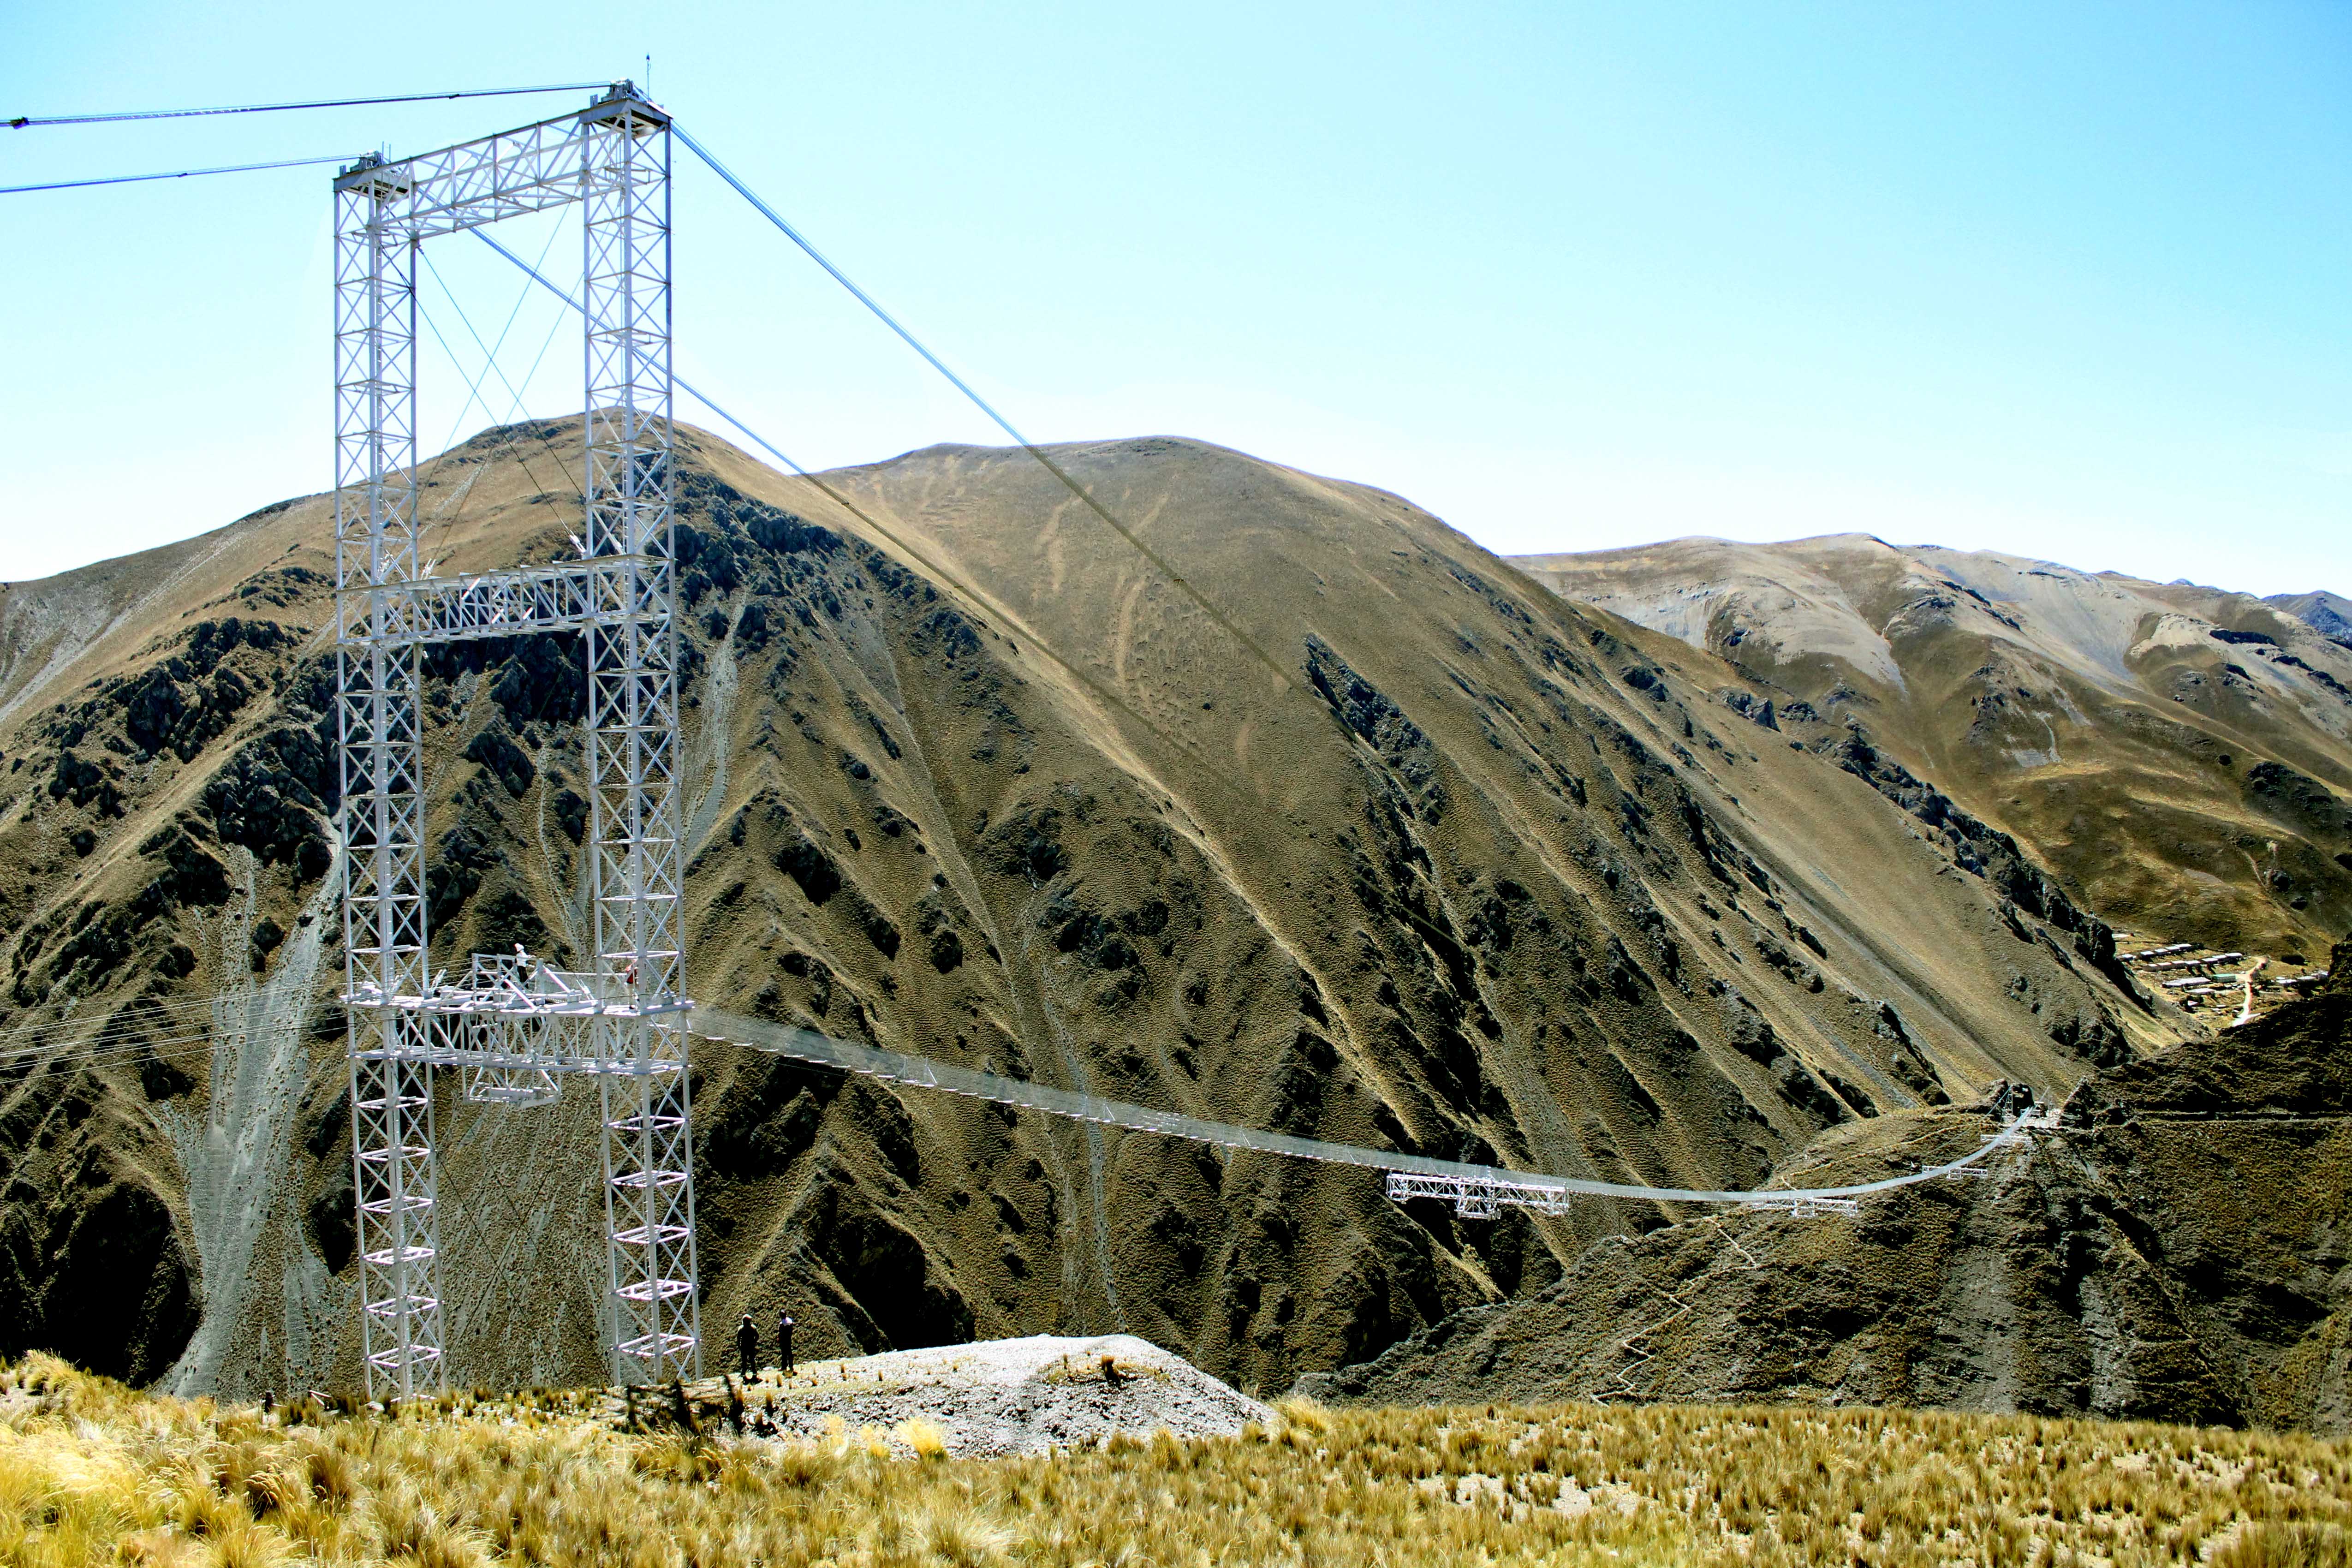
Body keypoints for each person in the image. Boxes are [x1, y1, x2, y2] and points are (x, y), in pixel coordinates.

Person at [735, 1313, 759, 1378]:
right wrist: (754, 1342)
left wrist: (739, 1346)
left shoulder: (741, 1329)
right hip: (751, 1346)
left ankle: (743, 1373)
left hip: (744, 1347)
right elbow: (757, 1336)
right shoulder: (753, 1328)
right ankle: (754, 1372)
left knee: (744, 1361)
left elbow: (738, 1338)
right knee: (752, 1360)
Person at [777, 1311, 795, 1377]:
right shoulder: (790, 1321)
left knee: (784, 1354)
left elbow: (781, 1333)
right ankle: (791, 1366)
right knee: (790, 1353)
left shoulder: (782, 1324)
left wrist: (779, 1339)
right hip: (789, 1339)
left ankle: (784, 1367)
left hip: (784, 1341)